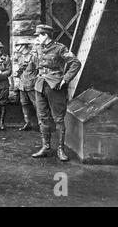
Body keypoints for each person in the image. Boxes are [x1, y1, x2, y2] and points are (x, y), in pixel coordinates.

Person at [30, 25, 81, 161]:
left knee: (58, 118)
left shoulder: (59, 48)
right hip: (40, 85)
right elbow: (35, 65)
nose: (37, 38)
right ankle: (45, 147)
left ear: (46, 35)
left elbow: (75, 63)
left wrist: (65, 79)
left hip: (55, 86)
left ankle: (60, 149)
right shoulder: (38, 48)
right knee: (42, 117)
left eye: (39, 35)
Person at [14, 39, 38, 131]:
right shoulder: (20, 58)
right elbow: (20, 71)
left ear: (23, 46)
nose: (17, 48)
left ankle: (41, 124)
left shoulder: (33, 57)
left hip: (31, 85)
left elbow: (39, 70)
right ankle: (27, 123)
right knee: (24, 104)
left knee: (37, 104)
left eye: (18, 46)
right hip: (22, 86)